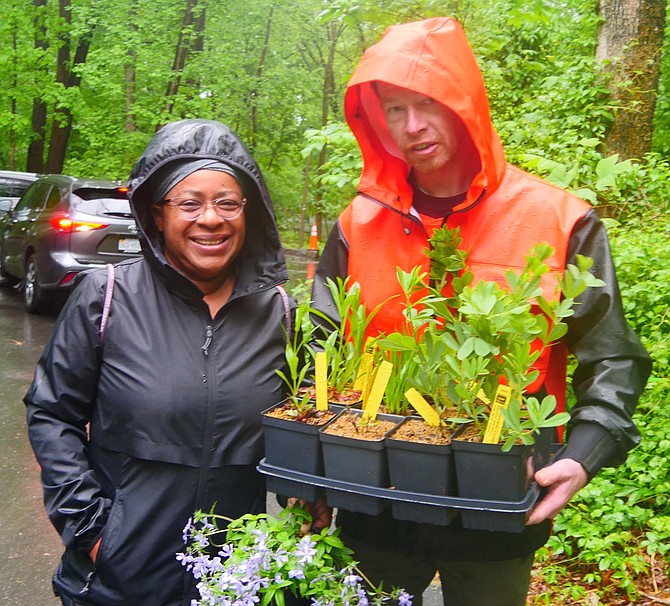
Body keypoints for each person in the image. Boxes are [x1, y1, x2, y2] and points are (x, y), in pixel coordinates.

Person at [310, 18, 652, 606]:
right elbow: (322, 347)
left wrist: (581, 458)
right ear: (375, 121)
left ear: (464, 102)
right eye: (394, 109)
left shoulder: (559, 220)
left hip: (500, 496)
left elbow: (613, 358)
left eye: (428, 102)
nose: (412, 126)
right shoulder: (355, 225)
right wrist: (315, 468)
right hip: (377, 498)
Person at [25, 119, 295, 605]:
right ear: (157, 215)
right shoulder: (105, 297)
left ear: (248, 213)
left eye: (227, 202)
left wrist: (306, 495)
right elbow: (52, 414)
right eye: (189, 203)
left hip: (233, 581)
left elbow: (305, 426)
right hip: (118, 578)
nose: (210, 219)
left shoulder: (281, 313)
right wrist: (91, 529)